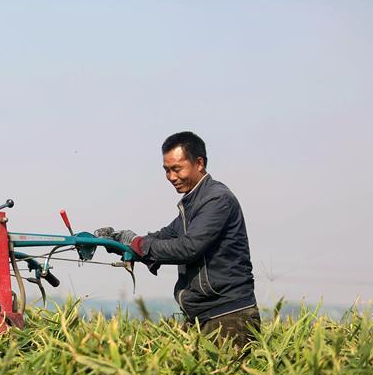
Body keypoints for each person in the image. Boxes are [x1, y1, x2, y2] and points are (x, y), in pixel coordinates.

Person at [96, 132, 260, 347]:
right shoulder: (192, 204)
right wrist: (117, 241)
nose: (171, 177)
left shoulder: (217, 199)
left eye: (176, 169)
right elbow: (163, 238)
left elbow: (188, 248)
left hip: (229, 317)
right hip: (202, 317)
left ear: (199, 163)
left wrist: (136, 243)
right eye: (166, 170)